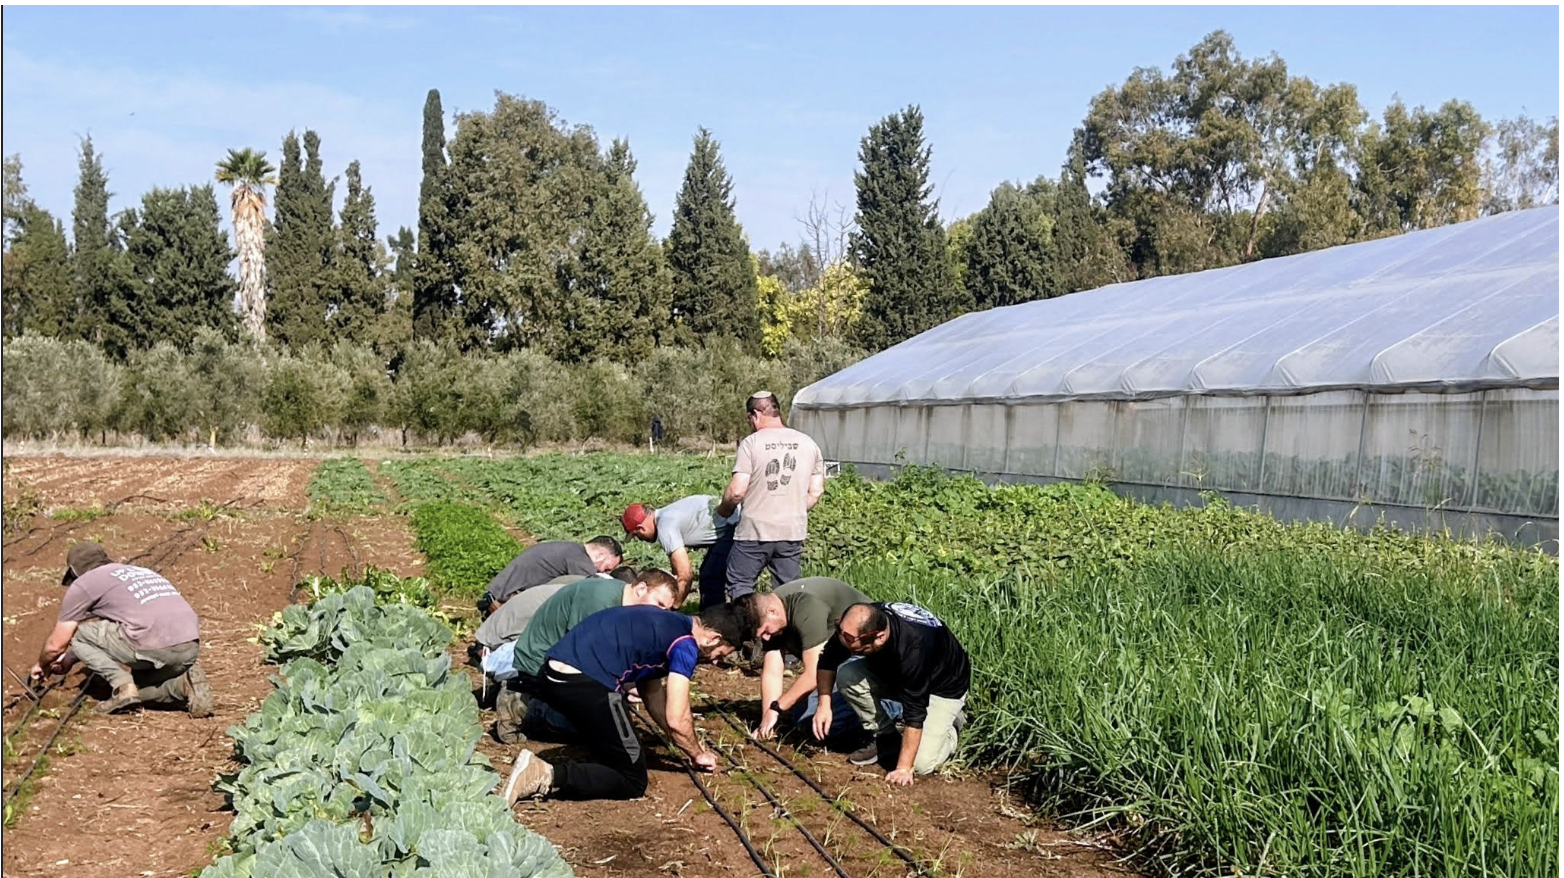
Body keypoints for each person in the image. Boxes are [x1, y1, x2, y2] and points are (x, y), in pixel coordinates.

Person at [502, 602, 757, 802]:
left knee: (611, 742)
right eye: (720, 654)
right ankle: (543, 774)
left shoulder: (666, 622)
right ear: (713, 639)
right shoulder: (686, 645)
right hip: (585, 682)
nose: (715, 661)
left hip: (553, 672)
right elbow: (677, 718)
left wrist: (676, 740)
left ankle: (530, 709)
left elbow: (652, 693)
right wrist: (698, 753)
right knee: (632, 780)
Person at [490, 569, 679, 744]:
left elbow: (649, 683)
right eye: (659, 604)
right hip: (540, 661)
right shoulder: (598, 600)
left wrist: (673, 732)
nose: (662, 614)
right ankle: (524, 703)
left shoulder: (634, 613)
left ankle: (536, 699)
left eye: (667, 610)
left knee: (610, 720)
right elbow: (582, 656)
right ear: (641, 589)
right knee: (596, 730)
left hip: (566, 662)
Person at [28, 542, 214, 717]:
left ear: (74, 572)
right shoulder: (138, 571)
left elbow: (56, 645)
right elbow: (113, 627)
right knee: (140, 686)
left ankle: (122, 685)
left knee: (80, 634)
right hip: (189, 647)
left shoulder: (84, 583)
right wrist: (70, 658)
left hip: (151, 644)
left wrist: (42, 665)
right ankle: (182, 685)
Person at [812, 602, 971, 785]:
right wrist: (824, 705)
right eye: (840, 631)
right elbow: (828, 659)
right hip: (897, 672)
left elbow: (914, 713)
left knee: (922, 764)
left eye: (850, 642)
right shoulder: (855, 625)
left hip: (943, 687)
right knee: (848, 675)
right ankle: (886, 738)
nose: (843, 640)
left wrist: (903, 768)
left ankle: (952, 727)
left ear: (879, 637)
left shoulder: (914, 648)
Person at [715, 391, 825, 602]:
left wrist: (723, 512)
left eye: (749, 418)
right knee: (788, 590)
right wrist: (793, 508)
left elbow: (737, 491)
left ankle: (748, 621)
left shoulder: (751, 443)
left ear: (755, 414)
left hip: (755, 531)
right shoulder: (808, 443)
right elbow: (816, 491)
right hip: (791, 530)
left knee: (740, 584)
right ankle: (786, 622)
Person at [734, 577, 872, 740]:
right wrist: (768, 719)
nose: (766, 638)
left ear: (772, 612)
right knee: (803, 714)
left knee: (811, 719)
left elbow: (814, 673)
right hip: (838, 662)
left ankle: (887, 715)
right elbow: (772, 672)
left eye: (765, 630)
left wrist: (777, 708)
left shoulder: (805, 606)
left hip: (869, 658)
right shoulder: (774, 612)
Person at [621, 496, 738, 609]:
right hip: (733, 521)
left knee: (710, 579)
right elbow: (677, 569)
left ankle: (715, 619)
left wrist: (674, 606)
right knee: (708, 571)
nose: (640, 540)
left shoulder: (665, 526)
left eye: (637, 535)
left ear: (641, 528)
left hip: (736, 528)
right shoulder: (668, 513)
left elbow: (685, 575)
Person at [479, 536, 624, 615]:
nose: (602, 573)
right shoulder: (580, 560)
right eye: (606, 568)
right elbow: (592, 591)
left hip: (499, 592)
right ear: (599, 555)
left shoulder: (570, 548)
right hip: (502, 602)